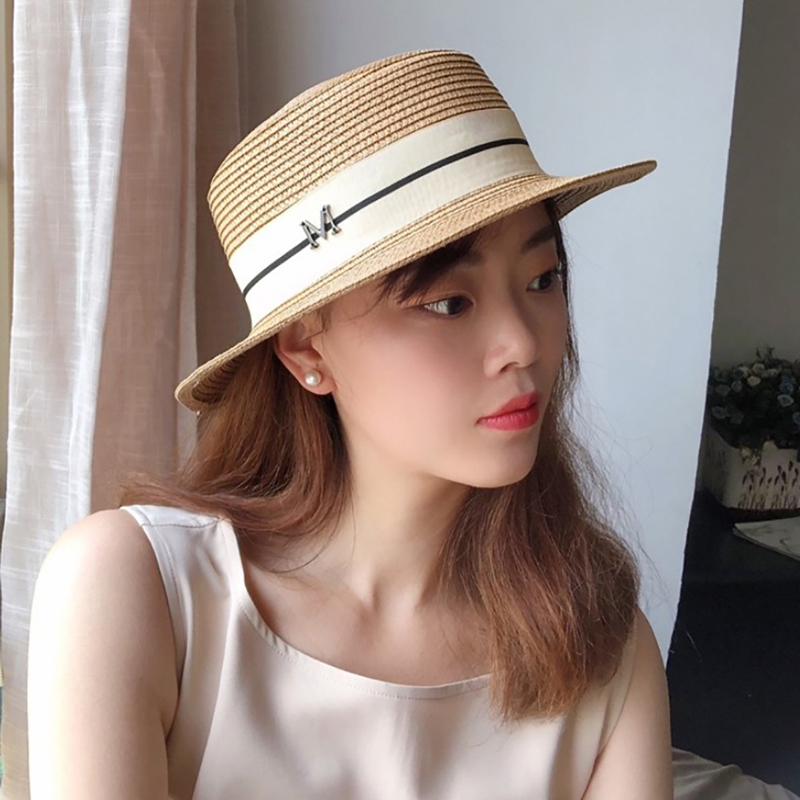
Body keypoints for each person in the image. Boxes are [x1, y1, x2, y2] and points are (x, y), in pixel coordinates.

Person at [27, 49, 672, 798]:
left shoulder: (600, 644)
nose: (523, 344)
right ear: (307, 349)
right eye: (449, 302)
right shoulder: (139, 590)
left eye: (542, 279)